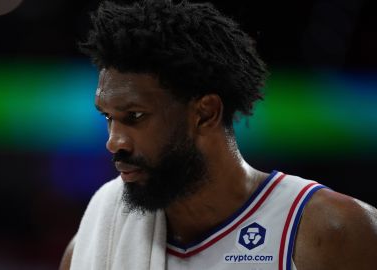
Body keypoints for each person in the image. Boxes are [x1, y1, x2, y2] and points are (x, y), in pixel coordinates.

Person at [59, 0, 377, 269]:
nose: (114, 141)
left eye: (135, 117)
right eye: (108, 117)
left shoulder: (334, 231)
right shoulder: (93, 242)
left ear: (206, 113)